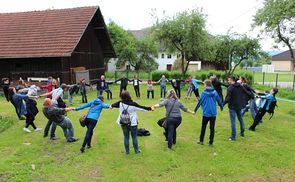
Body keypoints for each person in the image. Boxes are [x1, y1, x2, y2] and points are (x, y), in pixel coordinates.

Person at [193, 80, 223, 146]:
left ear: (206, 85)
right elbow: (219, 100)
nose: (203, 85)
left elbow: (200, 102)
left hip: (206, 113)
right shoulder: (215, 92)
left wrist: (195, 110)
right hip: (213, 113)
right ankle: (211, 143)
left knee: (203, 127)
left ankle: (201, 141)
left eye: (204, 84)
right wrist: (221, 107)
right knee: (212, 128)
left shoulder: (203, 93)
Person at [223, 76, 251, 141]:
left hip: (233, 107)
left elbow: (227, 98)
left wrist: (222, 104)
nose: (228, 81)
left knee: (233, 121)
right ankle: (242, 133)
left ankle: (233, 136)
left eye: (228, 80)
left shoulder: (230, 88)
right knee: (240, 119)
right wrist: (252, 95)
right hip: (239, 106)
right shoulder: (240, 86)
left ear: (231, 80)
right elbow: (246, 92)